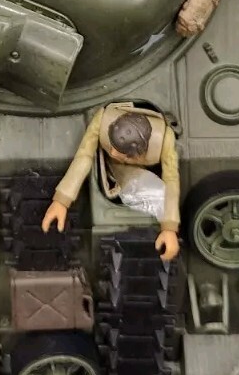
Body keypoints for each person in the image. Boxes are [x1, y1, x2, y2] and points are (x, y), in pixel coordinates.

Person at [41, 102, 180, 260]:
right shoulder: (103, 120)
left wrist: (169, 227)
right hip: (112, 167)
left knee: (153, 191)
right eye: (112, 146)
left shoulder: (164, 140)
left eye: (118, 150)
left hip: (139, 170)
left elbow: (171, 178)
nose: (112, 152)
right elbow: (84, 156)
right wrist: (61, 200)